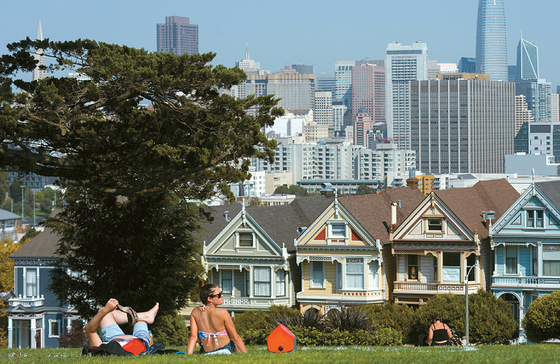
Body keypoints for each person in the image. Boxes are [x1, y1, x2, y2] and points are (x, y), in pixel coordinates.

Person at [84, 298, 159, 355]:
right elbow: (89, 331)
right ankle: (145, 317)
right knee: (140, 322)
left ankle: (145, 316)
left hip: (112, 338)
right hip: (140, 341)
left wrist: (106, 310)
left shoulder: (100, 349)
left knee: (104, 312)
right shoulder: (105, 353)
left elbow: (89, 330)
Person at [187, 284, 247, 355]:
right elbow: (235, 338)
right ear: (209, 299)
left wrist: (188, 354)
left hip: (207, 351)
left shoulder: (195, 312)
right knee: (235, 345)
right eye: (219, 295)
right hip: (225, 349)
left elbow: (193, 337)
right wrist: (245, 354)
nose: (222, 296)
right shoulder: (223, 312)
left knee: (196, 353)